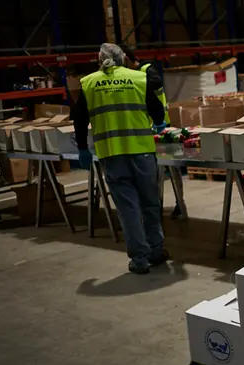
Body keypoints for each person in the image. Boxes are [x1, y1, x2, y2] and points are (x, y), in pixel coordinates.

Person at [73, 43, 169, 274]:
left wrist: (83, 148)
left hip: (112, 154)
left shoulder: (88, 83)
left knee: (128, 209)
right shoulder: (138, 78)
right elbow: (157, 112)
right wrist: (158, 122)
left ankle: (140, 260)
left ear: (99, 59)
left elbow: (78, 119)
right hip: (142, 151)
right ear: (123, 58)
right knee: (150, 203)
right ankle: (157, 250)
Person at [121, 45, 188, 221]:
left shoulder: (147, 70)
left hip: (161, 127)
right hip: (145, 130)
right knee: (154, 171)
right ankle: (156, 205)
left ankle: (180, 204)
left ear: (126, 59)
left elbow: (156, 84)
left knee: (171, 169)